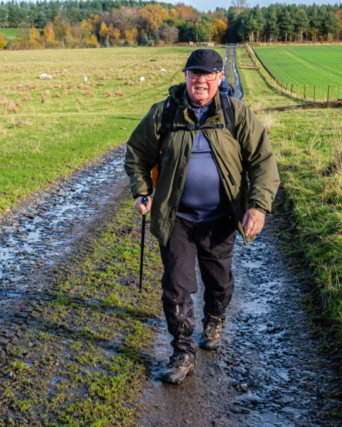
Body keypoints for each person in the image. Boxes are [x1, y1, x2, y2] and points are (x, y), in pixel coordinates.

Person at [124, 49, 280, 385]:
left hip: (221, 218)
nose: (201, 81)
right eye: (195, 73)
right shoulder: (164, 113)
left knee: (219, 281)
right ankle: (182, 351)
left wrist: (258, 205)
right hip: (176, 217)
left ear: (220, 78)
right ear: (186, 76)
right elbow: (136, 153)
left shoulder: (235, 114)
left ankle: (215, 316)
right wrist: (141, 191)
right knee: (176, 286)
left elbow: (263, 162)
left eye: (209, 75)